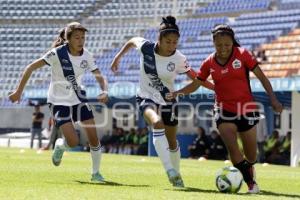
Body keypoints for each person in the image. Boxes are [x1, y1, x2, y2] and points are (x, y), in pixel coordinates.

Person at [168, 24, 283, 193]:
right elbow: (196, 84)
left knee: (251, 155)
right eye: (219, 45)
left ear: (232, 43)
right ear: (213, 43)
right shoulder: (209, 62)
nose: (223, 49)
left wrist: (273, 99)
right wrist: (178, 93)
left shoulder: (243, 55)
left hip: (246, 108)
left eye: (227, 45)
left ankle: (248, 169)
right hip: (223, 109)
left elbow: (262, 77)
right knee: (232, 147)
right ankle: (251, 184)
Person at [111, 16, 214, 187]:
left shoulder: (179, 58)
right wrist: (118, 57)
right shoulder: (146, 47)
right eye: (168, 42)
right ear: (159, 39)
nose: (172, 46)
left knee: (172, 141)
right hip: (146, 97)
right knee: (157, 124)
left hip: (168, 100)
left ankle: (177, 175)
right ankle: (170, 171)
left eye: (175, 42)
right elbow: (131, 41)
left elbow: (197, 78)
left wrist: (216, 88)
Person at [9, 22, 109, 183]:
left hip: (79, 98)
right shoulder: (57, 54)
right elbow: (30, 68)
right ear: (68, 38)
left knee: (93, 137)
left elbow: (99, 75)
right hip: (58, 101)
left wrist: (104, 90)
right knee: (73, 142)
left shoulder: (87, 55)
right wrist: (18, 91)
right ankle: (61, 146)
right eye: (77, 37)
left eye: (83, 37)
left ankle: (96, 174)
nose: (81, 41)